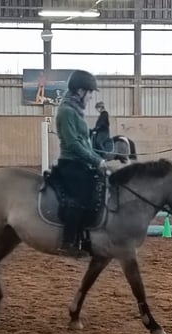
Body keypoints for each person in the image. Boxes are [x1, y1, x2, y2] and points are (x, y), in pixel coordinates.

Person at [53, 69, 107, 258]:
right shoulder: (67, 112)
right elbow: (73, 144)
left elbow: (85, 143)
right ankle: (68, 242)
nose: (91, 97)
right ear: (80, 91)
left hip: (81, 162)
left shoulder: (76, 111)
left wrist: (100, 158)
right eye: (90, 92)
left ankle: (86, 237)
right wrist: (95, 160)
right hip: (71, 163)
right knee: (81, 197)